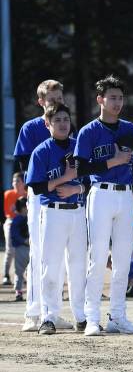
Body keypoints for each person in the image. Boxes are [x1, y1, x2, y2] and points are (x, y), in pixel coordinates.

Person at [74, 75, 133, 336]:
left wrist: (121, 164)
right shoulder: (89, 131)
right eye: (112, 97)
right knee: (98, 256)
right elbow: (81, 168)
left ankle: (118, 316)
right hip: (100, 194)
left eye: (120, 98)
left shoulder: (131, 130)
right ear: (100, 99)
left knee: (124, 259)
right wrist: (113, 162)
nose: (117, 102)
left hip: (124, 195)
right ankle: (92, 317)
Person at [25, 103, 86, 333]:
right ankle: (48, 317)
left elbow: (89, 179)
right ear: (47, 124)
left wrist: (75, 188)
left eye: (65, 120)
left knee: (78, 266)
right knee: (51, 266)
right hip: (51, 211)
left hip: (77, 211)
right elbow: (38, 186)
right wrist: (65, 178)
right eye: (57, 120)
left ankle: (81, 316)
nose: (62, 124)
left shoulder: (78, 147)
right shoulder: (41, 151)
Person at [14, 79, 66, 332]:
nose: (56, 103)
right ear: (41, 102)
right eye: (51, 99)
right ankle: (33, 312)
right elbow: (24, 164)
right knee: (38, 252)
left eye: (59, 98)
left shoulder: (66, 123)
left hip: (63, 197)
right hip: (40, 195)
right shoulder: (31, 127)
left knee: (59, 256)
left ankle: (53, 310)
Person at [4, 171, 27, 288]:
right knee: (11, 250)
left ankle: (25, 275)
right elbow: (8, 213)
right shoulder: (8, 194)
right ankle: (6, 275)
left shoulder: (29, 195)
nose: (15, 183)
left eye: (18, 181)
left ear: (24, 183)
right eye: (14, 181)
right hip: (12, 222)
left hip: (26, 222)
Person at [8, 199, 30, 304]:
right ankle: (18, 291)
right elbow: (14, 235)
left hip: (30, 248)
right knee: (19, 272)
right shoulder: (17, 220)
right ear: (23, 208)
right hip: (21, 248)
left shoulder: (30, 218)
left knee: (31, 271)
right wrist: (24, 240)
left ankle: (30, 291)